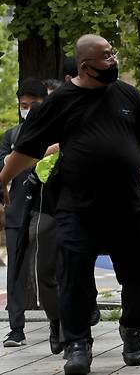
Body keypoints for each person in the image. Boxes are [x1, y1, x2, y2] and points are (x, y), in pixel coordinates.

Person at [0, 34, 140, 375]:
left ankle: (132, 331)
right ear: (87, 66)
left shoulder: (128, 95)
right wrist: (1, 180)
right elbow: (27, 150)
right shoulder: (59, 102)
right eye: (106, 57)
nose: (113, 60)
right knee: (74, 277)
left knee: (134, 275)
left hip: (127, 205)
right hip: (77, 207)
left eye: (112, 53)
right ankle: (78, 344)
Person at [1, 78, 50, 349]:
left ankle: (59, 323)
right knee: (15, 272)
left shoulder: (57, 133)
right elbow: (3, 168)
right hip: (17, 209)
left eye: (34, 105)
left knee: (51, 267)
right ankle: (15, 329)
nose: (28, 110)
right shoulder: (11, 136)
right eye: (23, 105)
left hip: (49, 209)